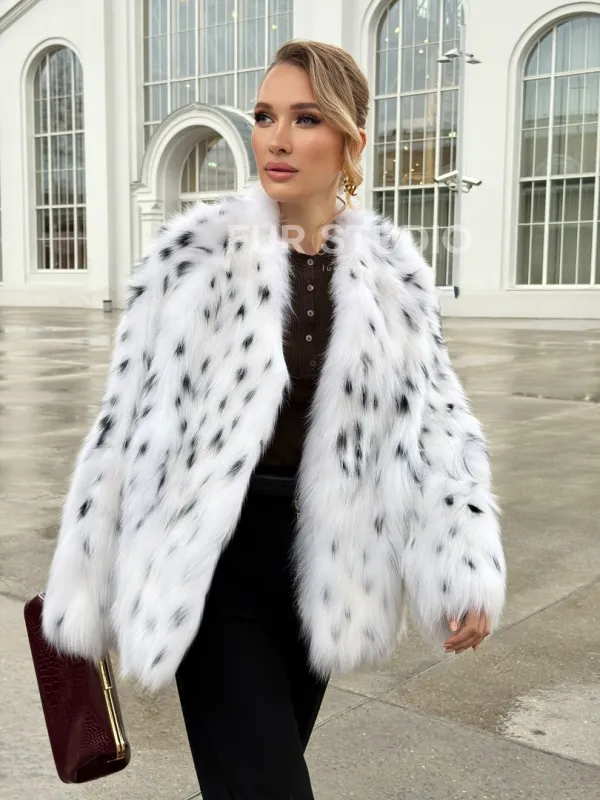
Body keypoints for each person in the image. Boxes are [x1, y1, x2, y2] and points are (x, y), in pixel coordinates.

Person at [41, 40, 506, 800]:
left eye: (305, 118)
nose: (277, 139)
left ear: (351, 141)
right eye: (265, 117)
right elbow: (122, 424)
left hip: (327, 565)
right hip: (215, 565)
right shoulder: (194, 259)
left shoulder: (394, 278)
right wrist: (84, 584)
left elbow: (434, 424)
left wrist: (464, 563)